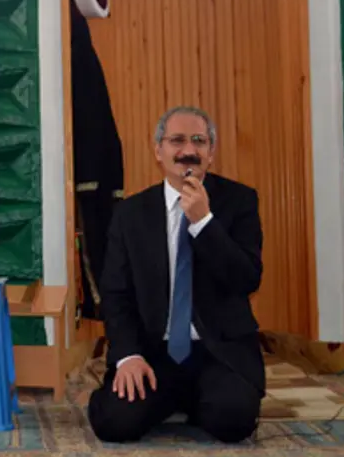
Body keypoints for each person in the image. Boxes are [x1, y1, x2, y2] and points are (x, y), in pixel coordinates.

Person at [87, 105, 264, 444]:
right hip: (154, 350)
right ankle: (172, 399)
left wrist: (203, 222)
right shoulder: (130, 214)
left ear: (211, 152)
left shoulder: (240, 201)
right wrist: (128, 356)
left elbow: (247, 278)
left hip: (218, 351)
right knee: (115, 423)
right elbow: (115, 294)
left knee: (232, 422)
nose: (188, 150)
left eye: (199, 141)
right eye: (177, 140)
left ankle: (189, 401)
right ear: (158, 151)